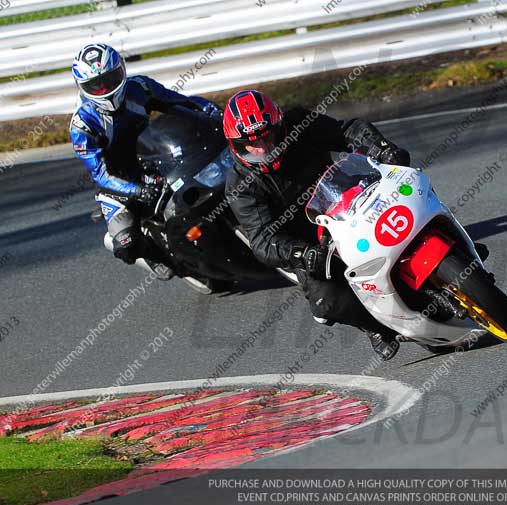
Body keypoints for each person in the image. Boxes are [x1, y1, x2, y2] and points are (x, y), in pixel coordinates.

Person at [223, 90, 410, 359]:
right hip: (310, 242)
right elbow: (262, 240)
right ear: (237, 145)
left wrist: (381, 148)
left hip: (347, 200)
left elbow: (347, 131)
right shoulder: (239, 185)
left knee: (407, 189)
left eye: (268, 135)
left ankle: (458, 249)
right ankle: (376, 327)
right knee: (326, 303)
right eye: (252, 144)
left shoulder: (298, 123)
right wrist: (299, 252)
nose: (263, 148)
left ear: (279, 125)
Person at [69, 43, 219, 277]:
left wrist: (210, 110)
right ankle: (154, 256)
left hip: (153, 155)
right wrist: (136, 190)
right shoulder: (83, 125)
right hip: (117, 181)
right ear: (83, 87)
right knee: (125, 242)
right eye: (95, 86)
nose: (105, 88)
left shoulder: (140, 87)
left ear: (122, 70)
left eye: (110, 79)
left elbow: (179, 102)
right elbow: (100, 174)